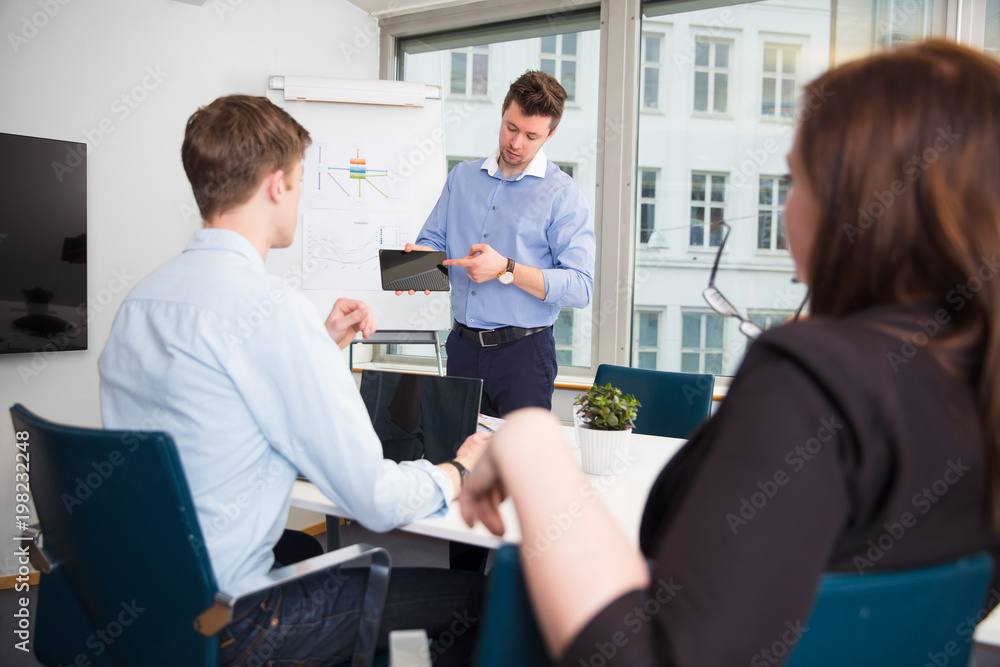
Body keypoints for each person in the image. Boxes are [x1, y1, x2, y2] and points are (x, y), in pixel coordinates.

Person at [459, 40, 1000, 666]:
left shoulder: (812, 380)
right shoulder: (970, 382)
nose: (785, 209)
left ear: (862, 205)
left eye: (796, 179)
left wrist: (530, 442)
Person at [98, 94, 488, 667]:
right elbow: (377, 503)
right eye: (302, 180)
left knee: (302, 546)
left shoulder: (139, 304)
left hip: (150, 603)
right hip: (235, 620)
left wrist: (320, 345)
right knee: (487, 599)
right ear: (277, 184)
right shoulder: (270, 310)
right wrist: (459, 469)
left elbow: (210, 412)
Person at [403, 70, 596, 418]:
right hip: (462, 349)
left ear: (550, 135)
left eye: (531, 135)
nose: (516, 142)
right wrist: (419, 263)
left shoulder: (563, 195)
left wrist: (508, 269)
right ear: (503, 113)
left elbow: (580, 288)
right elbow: (432, 240)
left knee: (517, 468)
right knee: (459, 459)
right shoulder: (461, 178)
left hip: (524, 356)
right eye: (511, 127)